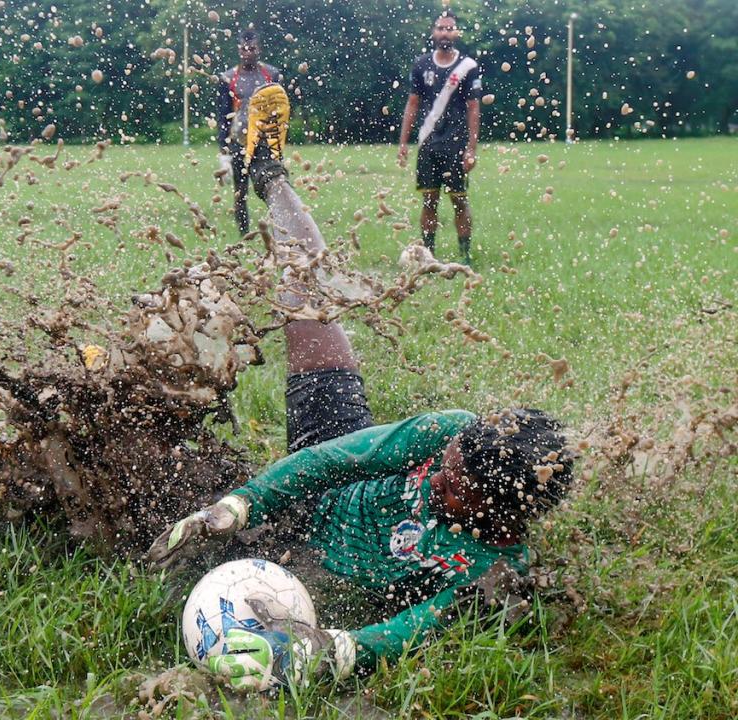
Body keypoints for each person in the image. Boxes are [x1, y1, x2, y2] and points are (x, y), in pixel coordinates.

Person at [148, 84, 573, 690]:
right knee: (310, 292)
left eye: (454, 489)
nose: (441, 479)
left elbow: (413, 627)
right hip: (324, 475)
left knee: (158, 510)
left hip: (312, 560)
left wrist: (335, 650)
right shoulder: (447, 430)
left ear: (498, 517)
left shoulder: (497, 566)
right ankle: (271, 175)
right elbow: (332, 459)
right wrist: (240, 504)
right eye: (445, 467)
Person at [397, 9, 482, 265]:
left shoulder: (468, 67)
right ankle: (429, 254)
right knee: (429, 200)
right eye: (440, 28)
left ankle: (465, 254)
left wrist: (471, 148)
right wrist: (403, 141)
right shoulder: (421, 64)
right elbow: (412, 104)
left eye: (449, 28)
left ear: (456, 33)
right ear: (433, 33)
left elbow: (473, 108)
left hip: (455, 144)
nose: (444, 32)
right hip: (428, 143)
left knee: (459, 200)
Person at [217, 29, 283, 236]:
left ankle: (280, 231)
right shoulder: (228, 78)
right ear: (238, 50)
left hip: (267, 142)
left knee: (274, 185)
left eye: (252, 49)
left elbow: (281, 109)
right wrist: (224, 150)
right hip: (239, 142)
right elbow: (223, 115)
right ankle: (244, 234)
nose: (248, 53)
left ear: (259, 49)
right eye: (244, 49)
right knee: (240, 192)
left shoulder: (271, 75)